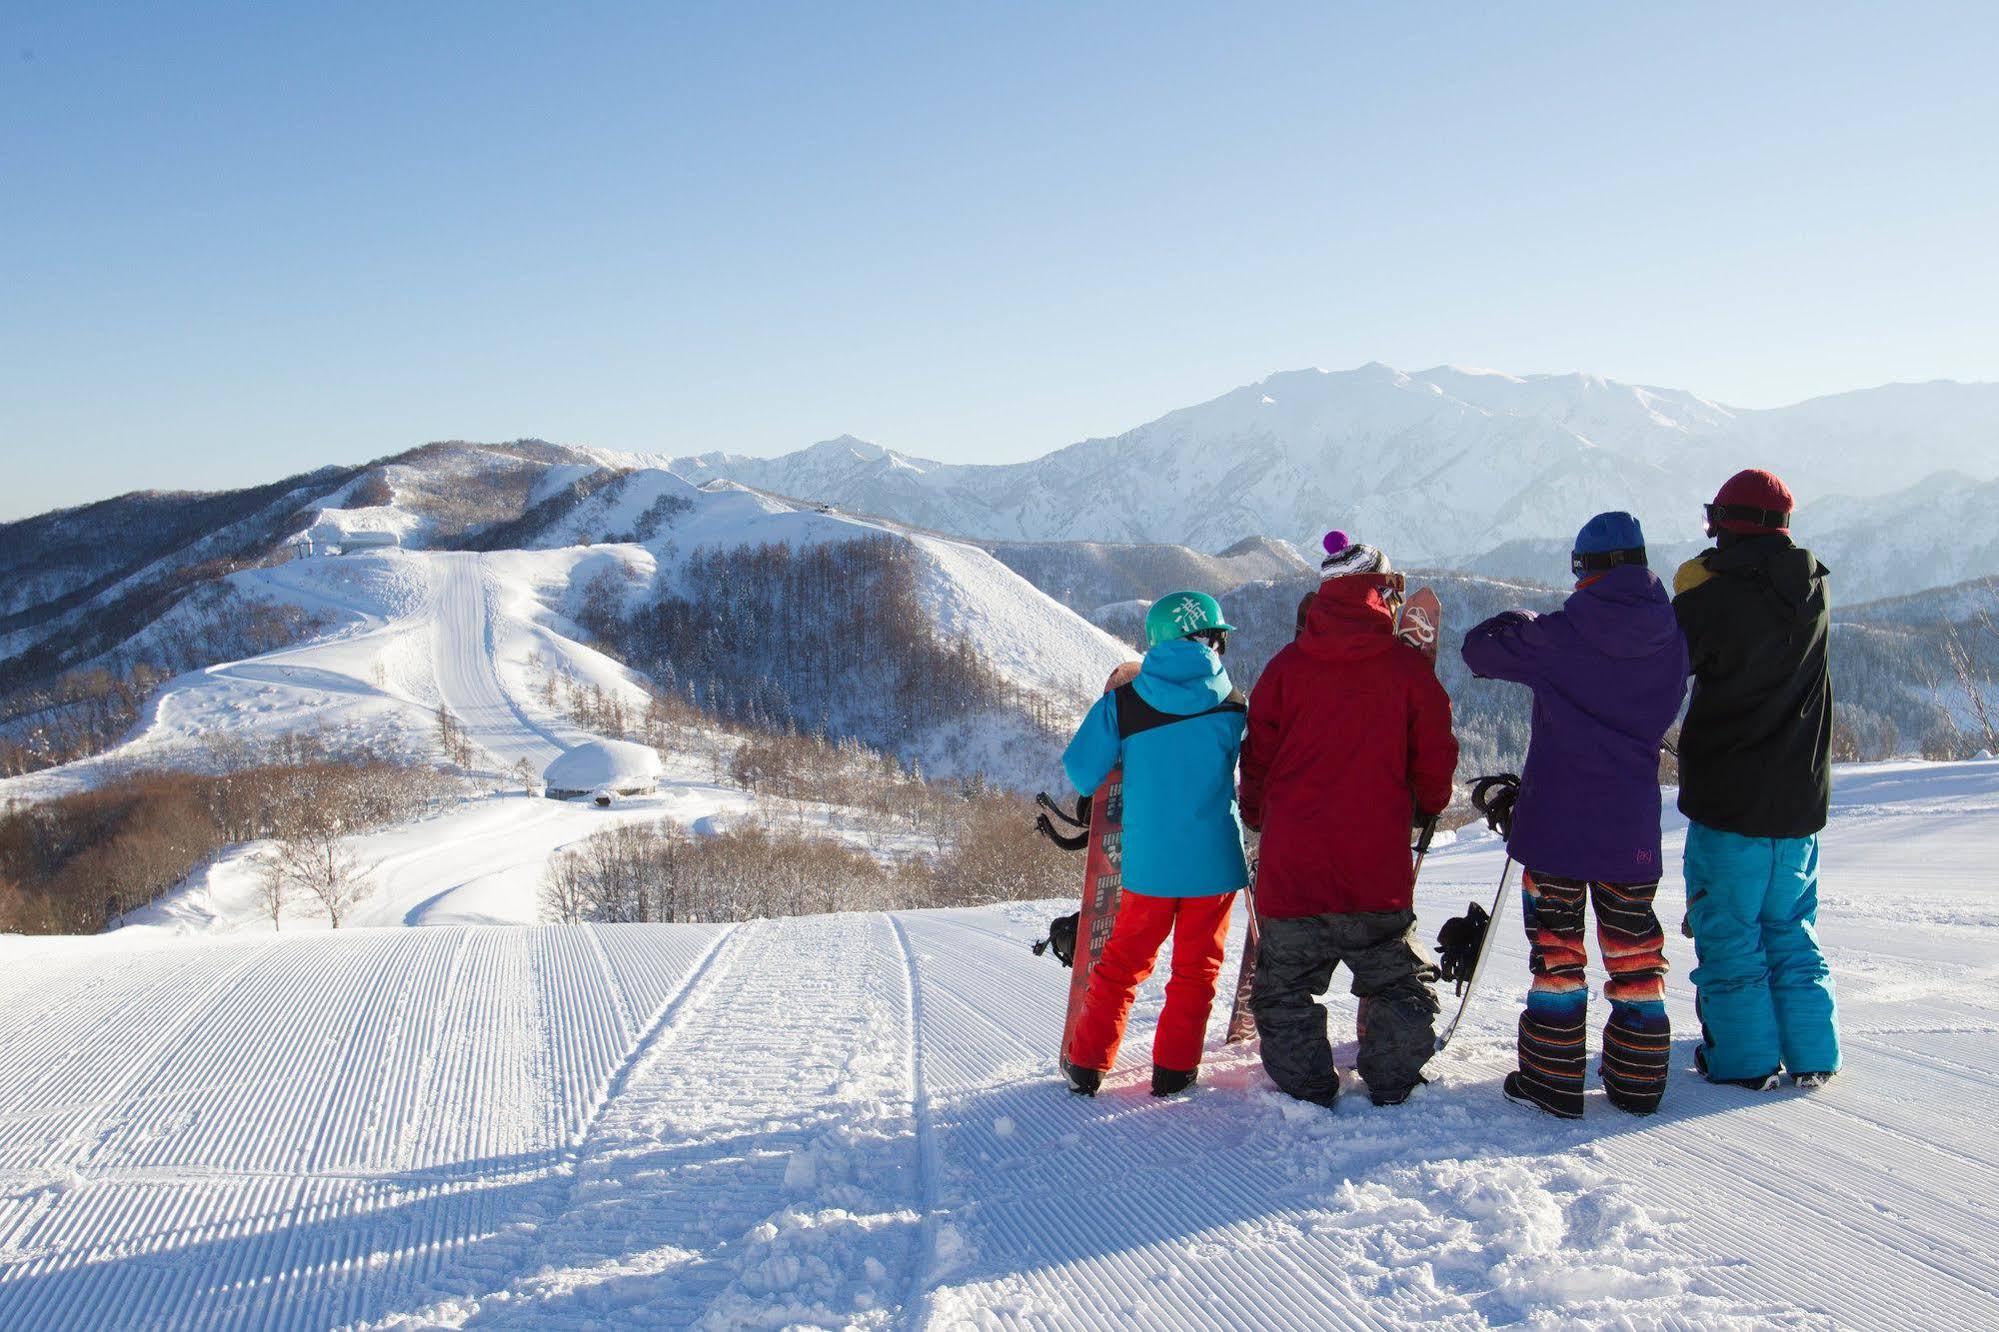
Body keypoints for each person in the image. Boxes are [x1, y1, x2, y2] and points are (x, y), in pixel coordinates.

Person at [1461, 512, 1689, 1118]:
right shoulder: (1672, 639)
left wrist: (1524, 619)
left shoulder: (1557, 636)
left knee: (1558, 955)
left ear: (1583, 571)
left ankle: (1553, 1082)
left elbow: (1477, 649)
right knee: (1637, 957)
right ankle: (1639, 1085)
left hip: (1555, 825)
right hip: (1631, 828)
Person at [1240, 533, 1458, 1108]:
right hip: (1374, 869)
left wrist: (1257, 815)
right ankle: (1390, 1079)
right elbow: (1436, 752)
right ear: (1383, 592)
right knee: (1398, 982)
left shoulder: (1284, 668)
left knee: (1285, 987)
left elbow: (1256, 755)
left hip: (1293, 868)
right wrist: (1427, 806)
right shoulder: (1404, 669)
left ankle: (1307, 1088)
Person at [1674, 469, 1840, 1090]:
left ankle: (1743, 1061)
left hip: (1730, 800)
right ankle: (1812, 1054)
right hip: (1799, 800)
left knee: (1731, 933)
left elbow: (1669, 656)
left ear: (1726, 524)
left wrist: (1691, 586)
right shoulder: (1815, 588)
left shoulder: (1713, 598)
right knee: (1791, 928)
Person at [1061, 590, 1250, 1097]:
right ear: (1212, 640)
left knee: (1122, 964)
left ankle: (1086, 1064)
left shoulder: (1125, 703)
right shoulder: (1235, 705)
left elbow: (1081, 773)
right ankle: (1174, 1071)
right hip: (1215, 862)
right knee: (1197, 969)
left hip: (1149, 863)